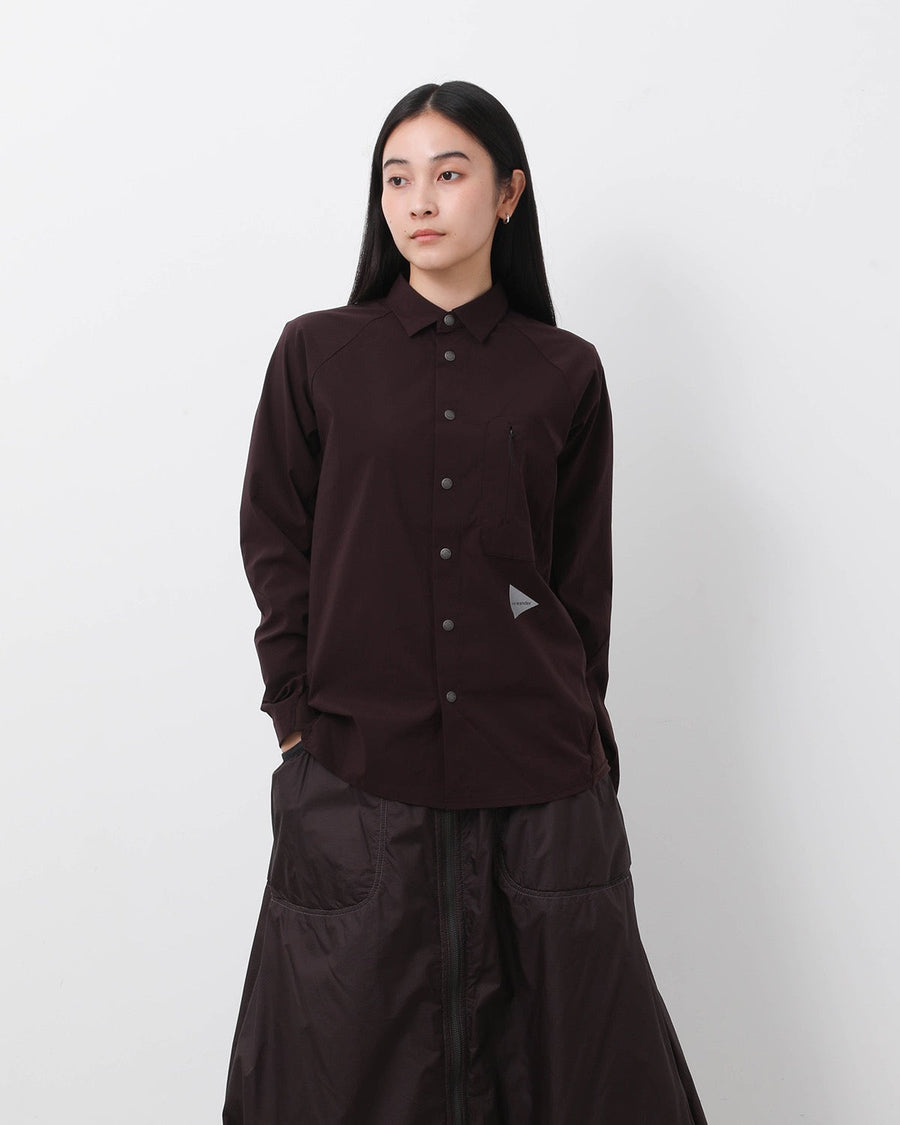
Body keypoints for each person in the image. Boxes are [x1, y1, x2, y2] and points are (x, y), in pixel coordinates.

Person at [223, 79, 708, 1124]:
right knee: (345, 1073)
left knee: (571, 1073)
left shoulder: (564, 372)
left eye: (449, 174)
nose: (420, 200)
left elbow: (577, 584)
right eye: (397, 178)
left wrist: (580, 734)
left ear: (508, 194)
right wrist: (296, 719)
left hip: (538, 777)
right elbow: (275, 541)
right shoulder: (317, 355)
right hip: (360, 768)